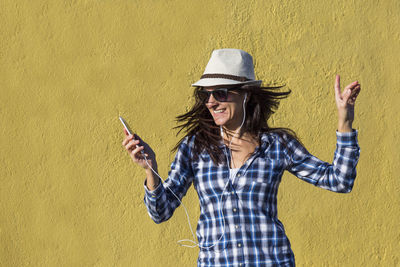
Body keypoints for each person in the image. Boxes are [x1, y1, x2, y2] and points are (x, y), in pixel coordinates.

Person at [122, 48, 361, 266]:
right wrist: (149, 168)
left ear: (245, 94)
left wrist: (345, 119)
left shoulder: (277, 145)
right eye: (206, 95)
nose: (211, 102)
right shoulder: (195, 147)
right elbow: (160, 212)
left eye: (221, 93)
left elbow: (340, 180)